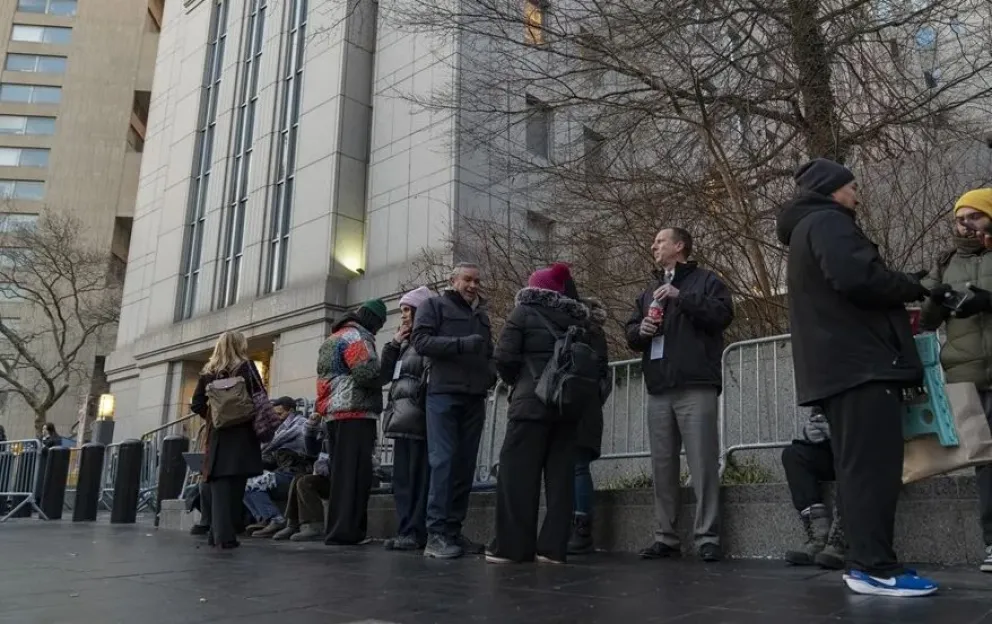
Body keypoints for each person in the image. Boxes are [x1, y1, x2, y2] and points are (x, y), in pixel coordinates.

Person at [776, 157, 936, 596]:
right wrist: (908, 285)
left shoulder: (808, 229)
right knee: (873, 470)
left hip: (842, 367)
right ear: (832, 190)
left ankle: (867, 565)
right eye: (851, 188)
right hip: (861, 365)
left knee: (859, 469)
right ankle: (876, 568)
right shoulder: (829, 222)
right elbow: (857, 277)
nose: (857, 196)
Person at [486, 264, 607, 564]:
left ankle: (512, 548)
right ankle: (553, 548)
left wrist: (520, 381)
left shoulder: (524, 313)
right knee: (560, 479)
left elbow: (503, 356)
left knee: (516, 476)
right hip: (566, 409)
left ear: (536, 288)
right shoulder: (582, 322)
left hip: (529, 405)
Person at [626, 227, 733, 563]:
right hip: (659, 388)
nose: (653, 245)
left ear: (679, 245)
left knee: (702, 464)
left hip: (695, 385)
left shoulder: (707, 280)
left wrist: (680, 296)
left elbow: (722, 315)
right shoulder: (648, 291)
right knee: (662, 466)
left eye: (659, 241)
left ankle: (707, 537)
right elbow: (630, 332)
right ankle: (666, 537)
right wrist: (639, 331)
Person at [920, 188, 992, 574]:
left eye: (973, 216)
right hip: (966, 376)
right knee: (986, 461)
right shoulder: (945, 261)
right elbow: (928, 321)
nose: (964, 225)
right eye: (959, 218)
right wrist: (935, 298)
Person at [411, 262, 496, 559]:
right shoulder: (433, 306)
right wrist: (461, 344)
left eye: (477, 281)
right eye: (467, 280)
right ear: (453, 280)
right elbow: (420, 341)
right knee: (443, 462)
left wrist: (491, 373)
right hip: (443, 394)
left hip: (474, 396)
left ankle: (452, 530)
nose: (473, 285)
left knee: (464, 465)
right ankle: (435, 534)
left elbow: (488, 352)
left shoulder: (481, 317)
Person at [316, 299, 386, 545]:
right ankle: (347, 532)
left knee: (340, 476)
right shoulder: (356, 337)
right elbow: (366, 374)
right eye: (379, 324)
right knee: (355, 476)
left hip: (334, 414)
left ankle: (336, 530)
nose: (377, 330)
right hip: (355, 413)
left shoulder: (332, 338)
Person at [190, 331, 265, 549]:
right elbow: (259, 396)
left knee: (219, 485)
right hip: (242, 433)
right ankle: (225, 536)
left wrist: (215, 417)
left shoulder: (208, 372)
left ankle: (218, 534)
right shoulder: (247, 367)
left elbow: (196, 404)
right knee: (236, 486)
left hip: (219, 435)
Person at [380, 286, 433, 551]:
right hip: (401, 419)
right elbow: (384, 375)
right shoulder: (404, 344)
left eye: (406, 311)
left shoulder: (426, 341)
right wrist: (393, 345)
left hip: (418, 418)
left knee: (417, 480)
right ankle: (405, 529)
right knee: (401, 481)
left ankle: (414, 530)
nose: (403, 317)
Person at [569, 294, 611, 555]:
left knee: (576, 468)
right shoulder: (595, 334)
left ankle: (581, 527)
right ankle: (579, 526)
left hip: (579, 406)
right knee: (576, 467)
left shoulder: (586, 334)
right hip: (586, 405)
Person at [781, 406, 846, 569]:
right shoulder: (827, 385)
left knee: (856, 455)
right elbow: (818, 416)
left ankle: (843, 538)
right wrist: (811, 430)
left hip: (859, 448)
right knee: (793, 455)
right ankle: (819, 535)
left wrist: (839, 432)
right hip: (833, 450)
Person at [244, 396, 309, 537]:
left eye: (280, 414)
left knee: (251, 482)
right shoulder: (281, 428)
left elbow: (273, 443)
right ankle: (264, 518)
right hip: (283, 472)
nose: (277, 418)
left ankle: (275, 519)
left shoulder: (301, 424)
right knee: (243, 480)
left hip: (295, 474)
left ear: (291, 411)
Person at [274, 411, 333, 542]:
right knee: (298, 479)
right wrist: (311, 428)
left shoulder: (339, 430)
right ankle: (292, 523)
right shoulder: (325, 429)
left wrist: (324, 465)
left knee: (306, 482)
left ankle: (314, 526)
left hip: (338, 477)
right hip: (326, 474)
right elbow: (312, 451)